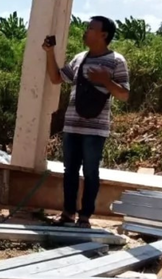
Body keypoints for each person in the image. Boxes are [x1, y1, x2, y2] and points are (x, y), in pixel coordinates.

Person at [42, 16, 130, 228]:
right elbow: (56, 78)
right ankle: (67, 213)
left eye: (91, 28)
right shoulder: (80, 58)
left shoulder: (117, 61)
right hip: (72, 125)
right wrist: (49, 52)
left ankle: (85, 217)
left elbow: (124, 95)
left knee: (91, 172)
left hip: (96, 129)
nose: (86, 31)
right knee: (70, 171)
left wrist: (105, 80)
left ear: (103, 35)